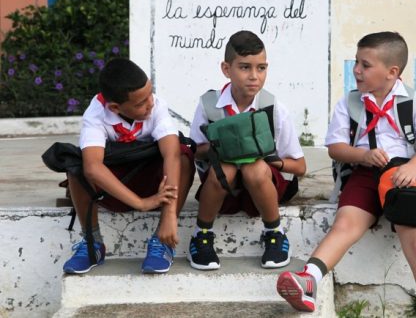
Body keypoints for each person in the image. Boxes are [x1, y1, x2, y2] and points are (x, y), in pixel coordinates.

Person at [276, 32, 416, 317]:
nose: (356, 70)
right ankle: (308, 279)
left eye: (365, 65)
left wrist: (413, 167)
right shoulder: (350, 103)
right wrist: (363, 156)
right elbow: (336, 148)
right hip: (366, 174)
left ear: (392, 72)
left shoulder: (415, 102)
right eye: (357, 62)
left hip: (406, 176)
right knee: (345, 224)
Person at [62, 58, 195, 274]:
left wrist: (169, 215)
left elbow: (171, 154)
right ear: (115, 107)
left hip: (153, 183)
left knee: (183, 156)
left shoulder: (156, 106)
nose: (150, 104)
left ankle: (162, 242)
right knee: (76, 166)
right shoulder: (95, 115)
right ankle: (92, 243)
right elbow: (93, 168)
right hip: (116, 188)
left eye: (150, 94)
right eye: (140, 103)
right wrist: (141, 203)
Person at [188, 30, 306, 270]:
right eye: (244, 67)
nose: (254, 77)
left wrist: (272, 160)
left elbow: (300, 166)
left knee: (253, 167)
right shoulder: (209, 106)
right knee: (227, 166)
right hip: (224, 191)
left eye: (261, 68)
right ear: (226, 68)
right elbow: (194, 152)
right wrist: (218, 146)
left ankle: (274, 233)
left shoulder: (273, 108)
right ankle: (202, 235)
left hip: (263, 190)